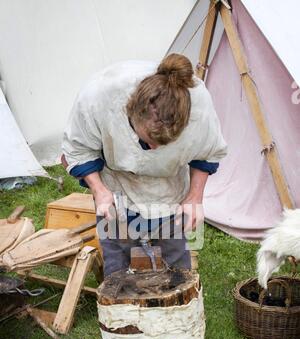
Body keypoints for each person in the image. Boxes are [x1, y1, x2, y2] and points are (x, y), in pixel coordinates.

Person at [61, 54, 227, 276]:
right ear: (132, 112)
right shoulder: (99, 96)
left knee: (176, 263)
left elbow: (208, 152)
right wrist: (99, 191)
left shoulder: (198, 103)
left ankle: (177, 305)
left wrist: (195, 196)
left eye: (165, 143)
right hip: (116, 185)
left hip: (169, 188)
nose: (155, 149)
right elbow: (79, 149)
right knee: (117, 258)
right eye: (150, 140)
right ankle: (119, 305)